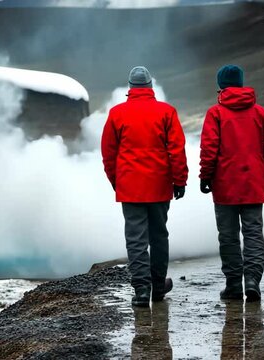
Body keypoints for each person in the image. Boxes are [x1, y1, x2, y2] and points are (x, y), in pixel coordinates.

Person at [101, 66, 188, 307]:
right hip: (160, 186)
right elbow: (177, 151)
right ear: (150, 86)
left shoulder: (117, 114)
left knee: (136, 239)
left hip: (130, 187)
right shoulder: (166, 112)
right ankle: (158, 287)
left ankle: (141, 290)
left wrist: (117, 182)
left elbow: (108, 154)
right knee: (159, 235)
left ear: (130, 88)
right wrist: (179, 181)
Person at [199, 65, 264, 302]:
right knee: (254, 233)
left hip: (225, 185)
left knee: (228, 236)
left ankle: (234, 286)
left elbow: (209, 149)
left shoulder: (215, 113)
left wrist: (206, 176)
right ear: (241, 83)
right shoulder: (260, 113)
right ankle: (253, 280)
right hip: (254, 183)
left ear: (221, 86)